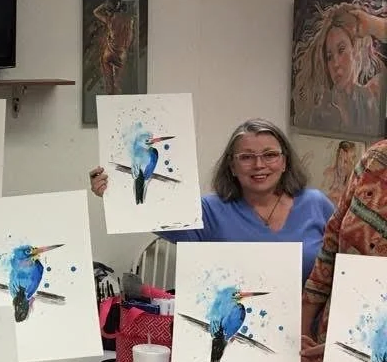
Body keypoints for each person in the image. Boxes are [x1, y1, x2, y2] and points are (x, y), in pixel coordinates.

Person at [89, 119, 334, 283]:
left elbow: (347, 263)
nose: (259, 165)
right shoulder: (210, 211)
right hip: (238, 343)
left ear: (285, 162)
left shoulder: (317, 205)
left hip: (311, 341)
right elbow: (153, 213)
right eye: (246, 157)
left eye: (270, 155)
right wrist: (115, 189)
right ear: (232, 166)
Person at [301, 140, 387, 362]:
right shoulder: (377, 158)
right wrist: (304, 323)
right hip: (331, 345)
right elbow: (331, 241)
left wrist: (357, 351)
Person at [292, 0, 387, 139]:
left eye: (341, 50)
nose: (335, 63)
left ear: (355, 50)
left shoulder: (373, 94)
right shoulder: (321, 112)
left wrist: (373, 25)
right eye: (329, 56)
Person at [92, 0, 135, 95]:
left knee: (109, 81)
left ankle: (108, 99)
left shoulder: (110, 20)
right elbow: (130, 38)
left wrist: (103, 5)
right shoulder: (130, 20)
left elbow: (95, 12)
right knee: (117, 83)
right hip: (121, 54)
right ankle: (116, 104)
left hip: (109, 52)